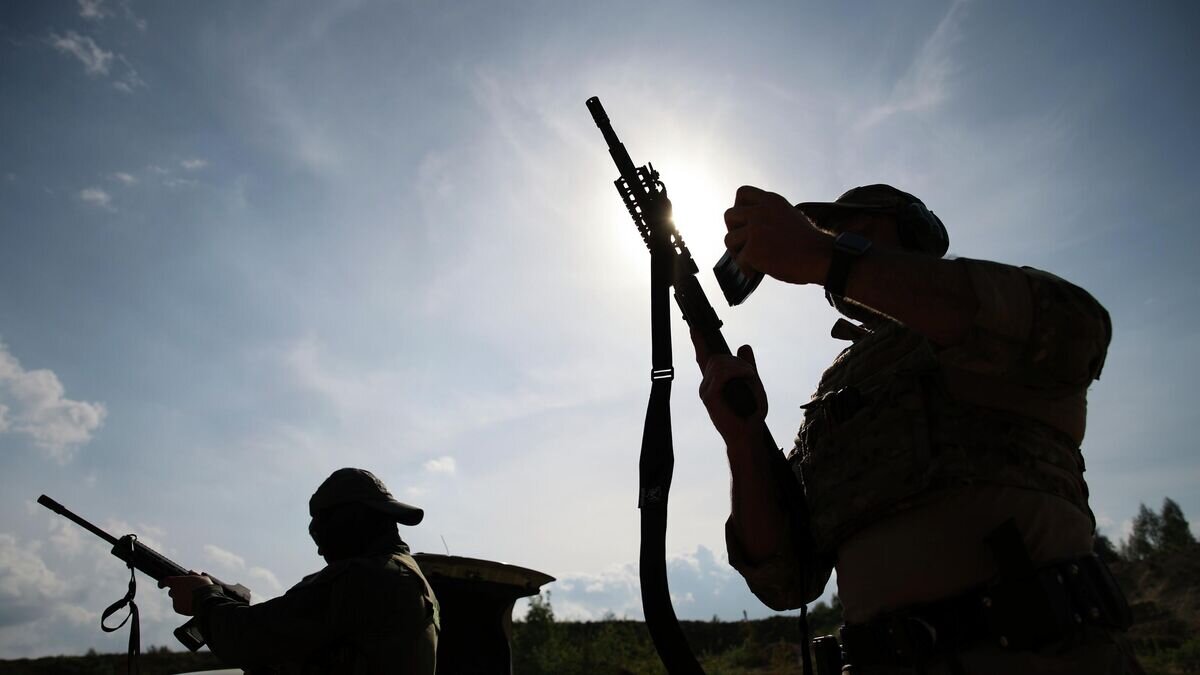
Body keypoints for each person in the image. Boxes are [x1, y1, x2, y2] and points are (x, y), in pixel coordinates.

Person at [694, 184, 1142, 674]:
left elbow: (1075, 331)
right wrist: (744, 440)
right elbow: (786, 579)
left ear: (915, 234)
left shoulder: (983, 318)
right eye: (831, 233)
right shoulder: (834, 391)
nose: (839, 239)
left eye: (858, 231)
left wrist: (825, 255)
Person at [160, 468, 439, 674]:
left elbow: (248, 640)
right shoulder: (404, 573)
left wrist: (204, 597)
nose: (321, 552)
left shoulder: (366, 577)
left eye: (322, 534)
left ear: (349, 521)